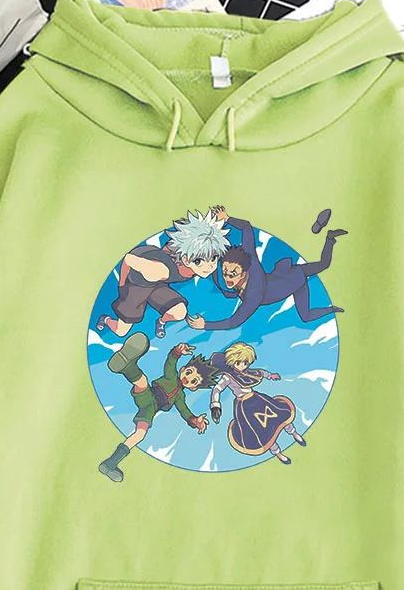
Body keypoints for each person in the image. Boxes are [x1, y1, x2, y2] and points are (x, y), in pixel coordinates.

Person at [187, 206, 345, 332]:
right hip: (284, 275)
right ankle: (330, 238)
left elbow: (234, 321)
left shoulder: (254, 294)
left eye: (233, 274)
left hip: (297, 280)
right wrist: (227, 218)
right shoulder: (247, 259)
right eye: (225, 273)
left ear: (244, 272)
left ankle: (330, 239)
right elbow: (246, 228)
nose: (228, 278)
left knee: (307, 315)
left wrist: (206, 325)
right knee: (228, 292)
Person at [98, 331, 217, 482]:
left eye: (194, 381)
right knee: (142, 382)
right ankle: (127, 366)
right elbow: (170, 364)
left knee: (139, 435)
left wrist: (194, 421)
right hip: (150, 395)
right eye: (189, 372)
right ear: (183, 369)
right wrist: (177, 352)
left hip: (150, 410)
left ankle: (110, 463)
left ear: (194, 388)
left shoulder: (180, 397)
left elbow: (184, 411)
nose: (188, 379)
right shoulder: (171, 376)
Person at [96, 209, 231, 339]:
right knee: (121, 332)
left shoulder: (194, 263)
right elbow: (128, 260)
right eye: (199, 261)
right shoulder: (159, 270)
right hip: (136, 286)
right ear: (185, 260)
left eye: (214, 258)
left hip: (158, 284)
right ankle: (105, 319)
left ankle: (161, 322)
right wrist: (122, 285)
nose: (210, 266)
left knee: (180, 312)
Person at [208, 341, 306, 465]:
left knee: (279, 413)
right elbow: (217, 389)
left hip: (257, 399)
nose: (242, 366)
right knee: (261, 432)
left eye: (245, 363)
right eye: (238, 363)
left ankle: (294, 433)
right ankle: (278, 453)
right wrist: (215, 406)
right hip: (244, 407)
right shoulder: (228, 376)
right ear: (232, 361)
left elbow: (259, 372)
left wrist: (271, 376)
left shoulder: (247, 372)